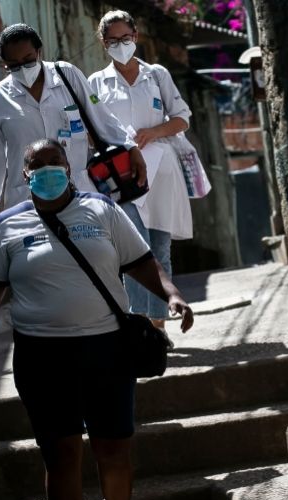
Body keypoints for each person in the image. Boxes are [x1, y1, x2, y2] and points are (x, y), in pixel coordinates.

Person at [0, 139, 194, 500]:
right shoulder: (7, 226)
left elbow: (142, 261)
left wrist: (172, 295)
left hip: (107, 348)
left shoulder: (101, 211)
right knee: (61, 452)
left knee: (114, 446)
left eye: (56, 162)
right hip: (42, 357)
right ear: (25, 174)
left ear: (68, 167)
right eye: (38, 165)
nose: (48, 170)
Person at [88, 10, 194, 346]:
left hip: (161, 172)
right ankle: (139, 327)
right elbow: (92, 130)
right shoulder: (95, 83)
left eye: (126, 37)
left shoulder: (157, 75)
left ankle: (158, 327)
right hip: (123, 180)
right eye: (113, 40)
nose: (121, 45)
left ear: (136, 34)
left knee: (160, 249)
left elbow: (182, 119)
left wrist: (153, 132)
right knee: (133, 252)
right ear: (104, 43)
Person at [0, 23, 147, 230]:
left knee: (92, 254)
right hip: (26, 200)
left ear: (39, 52)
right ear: (4, 64)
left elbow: (102, 117)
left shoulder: (67, 76)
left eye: (28, 60)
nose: (22, 68)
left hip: (78, 191)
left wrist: (131, 147)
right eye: (14, 65)